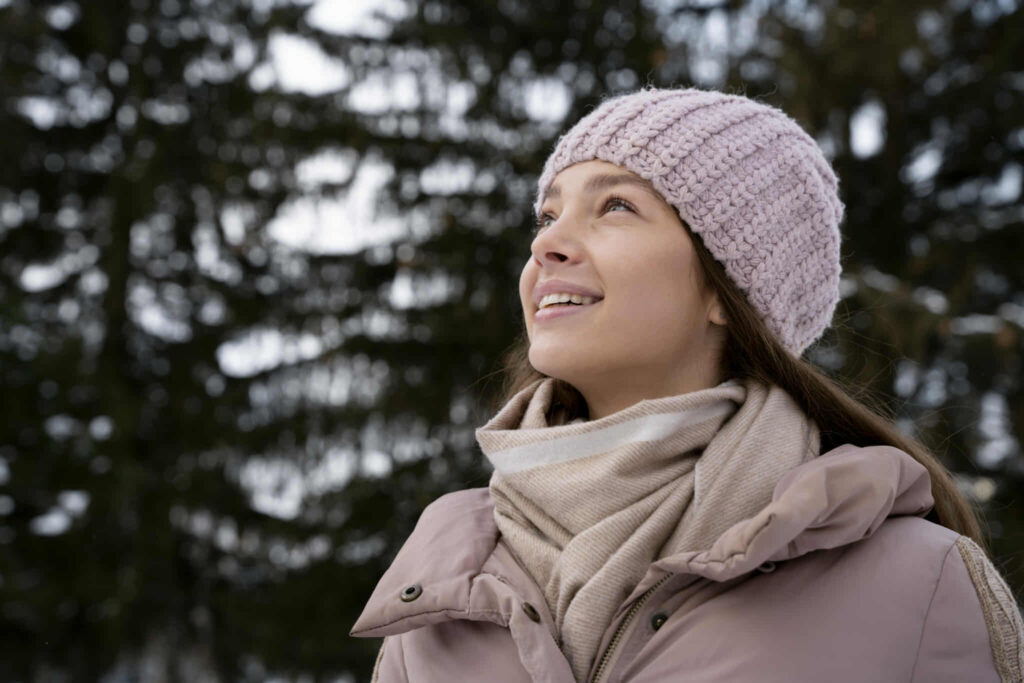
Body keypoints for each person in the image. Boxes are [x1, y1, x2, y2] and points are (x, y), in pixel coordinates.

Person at [350, 87, 1024, 682]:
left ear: (727, 291)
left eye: (614, 205)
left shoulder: (917, 586)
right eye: (547, 216)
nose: (546, 245)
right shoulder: (438, 597)